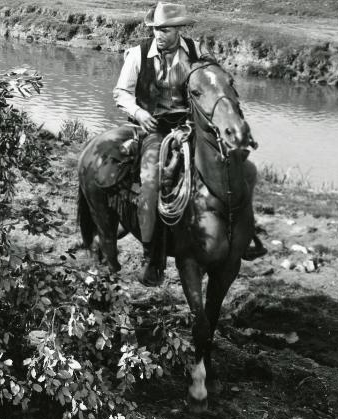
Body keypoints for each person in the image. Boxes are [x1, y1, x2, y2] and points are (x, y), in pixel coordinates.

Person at [113, 2, 266, 286]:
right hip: (154, 128)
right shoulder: (138, 55)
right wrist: (139, 113)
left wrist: (219, 114)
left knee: (246, 170)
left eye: (166, 30)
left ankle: (246, 234)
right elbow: (121, 92)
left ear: (179, 29)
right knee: (150, 181)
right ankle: (151, 254)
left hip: (191, 127)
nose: (160, 35)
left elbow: (214, 83)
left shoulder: (197, 52)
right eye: (156, 29)